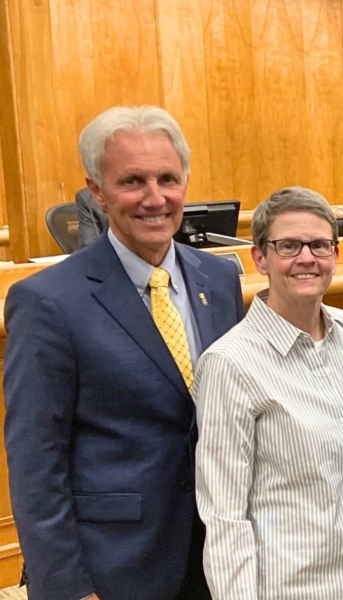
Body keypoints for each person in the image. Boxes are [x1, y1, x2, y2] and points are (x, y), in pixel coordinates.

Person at [3, 106, 244, 600]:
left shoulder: (220, 281)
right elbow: (35, 461)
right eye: (133, 181)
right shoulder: (48, 302)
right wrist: (67, 588)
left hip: (220, 558)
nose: (155, 198)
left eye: (167, 179)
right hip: (114, 567)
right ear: (96, 190)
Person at [194, 187, 343, 599]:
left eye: (320, 244)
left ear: (336, 256)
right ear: (259, 258)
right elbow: (224, 515)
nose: (307, 258)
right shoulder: (230, 363)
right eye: (288, 245)